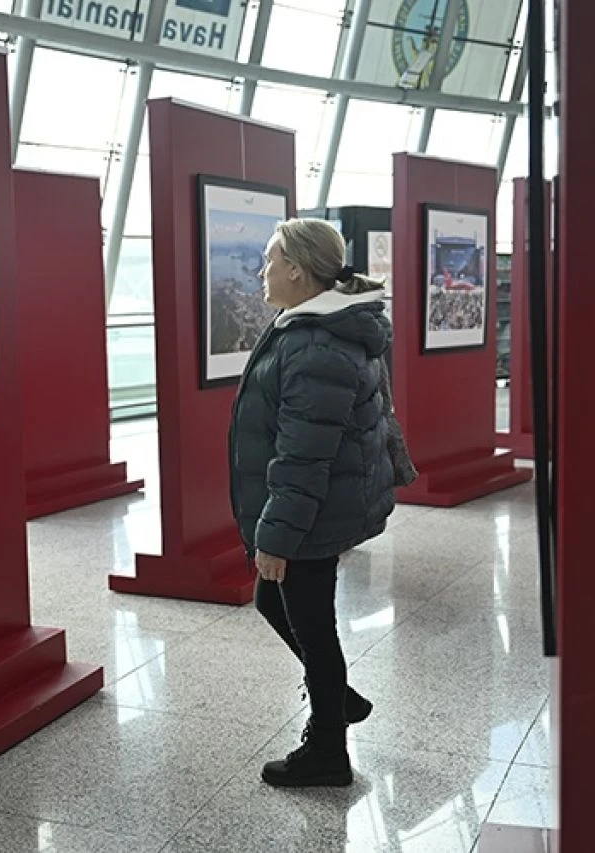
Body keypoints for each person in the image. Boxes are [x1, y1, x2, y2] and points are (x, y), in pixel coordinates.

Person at [228, 217, 398, 788]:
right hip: (326, 506)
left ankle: (328, 749)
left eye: (270, 261)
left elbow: (305, 457)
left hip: (313, 513)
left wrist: (276, 538)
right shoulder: (317, 327)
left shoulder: (316, 344)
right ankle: (338, 698)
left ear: (298, 270)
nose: (261, 272)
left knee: (312, 627)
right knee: (275, 603)